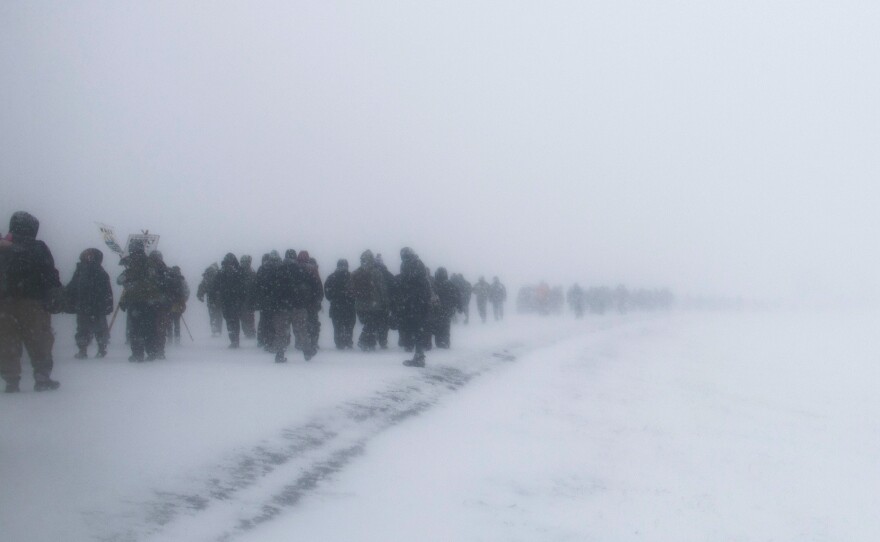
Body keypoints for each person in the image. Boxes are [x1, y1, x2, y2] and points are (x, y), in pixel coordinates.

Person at [0, 211, 63, 392]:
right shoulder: (38, 247)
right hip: (32, 303)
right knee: (39, 339)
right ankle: (42, 376)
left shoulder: (3, 246)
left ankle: (11, 380)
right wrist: (55, 294)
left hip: (3, 303)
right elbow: (50, 273)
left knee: (6, 341)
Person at [119, 240, 165, 361]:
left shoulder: (134, 264)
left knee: (135, 329)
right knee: (149, 328)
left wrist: (126, 278)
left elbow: (122, 281)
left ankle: (138, 354)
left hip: (136, 302)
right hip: (150, 302)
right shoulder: (149, 263)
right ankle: (151, 351)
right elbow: (154, 281)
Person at [65, 248, 114, 359]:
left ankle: (83, 350)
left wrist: (68, 299)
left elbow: (73, 286)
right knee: (99, 328)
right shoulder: (101, 271)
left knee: (83, 329)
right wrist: (108, 305)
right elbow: (107, 290)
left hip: (84, 305)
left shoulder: (81, 270)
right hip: (97, 306)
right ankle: (101, 349)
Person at [397, 247, 431, 367]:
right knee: (418, 329)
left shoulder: (413, 265)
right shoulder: (416, 263)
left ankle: (419, 357)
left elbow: (411, 281)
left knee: (417, 329)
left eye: (404, 256)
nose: (403, 258)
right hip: (418, 301)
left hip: (416, 302)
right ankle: (419, 356)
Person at [350, 250, 389, 351]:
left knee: (369, 323)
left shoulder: (355, 272)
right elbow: (382, 288)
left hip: (359, 304)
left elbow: (350, 288)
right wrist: (385, 301)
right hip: (373, 303)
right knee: (372, 323)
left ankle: (370, 344)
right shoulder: (376, 272)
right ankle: (363, 341)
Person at [324, 259, 356, 349]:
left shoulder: (331, 277)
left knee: (337, 326)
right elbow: (357, 291)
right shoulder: (351, 277)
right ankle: (348, 341)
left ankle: (339, 343)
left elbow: (327, 293)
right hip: (350, 306)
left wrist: (333, 298)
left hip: (336, 306)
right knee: (349, 325)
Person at [216, 253, 245, 348]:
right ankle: (235, 340)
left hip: (228, 301)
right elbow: (242, 287)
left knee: (230, 321)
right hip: (234, 301)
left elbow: (216, 286)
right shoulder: (238, 271)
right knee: (233, 321)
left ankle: (234, 340)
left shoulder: (222, 272)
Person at [432, 267, 458, 348]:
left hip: (437, 308)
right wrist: (456, 306)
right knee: (446, 325)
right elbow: (456, 296)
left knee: (438, 325)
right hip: (447, 309)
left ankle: (439, 342)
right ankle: (446, 342)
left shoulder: (434, 284)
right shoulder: (450, 284)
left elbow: (432, 295)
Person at [196, 263, 222, 336]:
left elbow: (202, 286)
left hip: (210, 298)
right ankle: (218, 329)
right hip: (219, 297)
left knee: (212, 314)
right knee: (219, 314)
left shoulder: (207, 275)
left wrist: (200, 295)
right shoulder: (219, 274)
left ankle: (213, 327)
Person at [166, 266, 190, 344]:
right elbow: (186, 291)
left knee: (169, 322)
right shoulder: (181, 280)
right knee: (177, 322)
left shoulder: (168, 279)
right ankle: (177, 340)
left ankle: (170, 339)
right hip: (178, 304)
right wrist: (183, 301)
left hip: (169, 304)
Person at [239, 254, 257, 339]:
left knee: (246, 316)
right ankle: (250, 332)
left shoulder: (239, 272)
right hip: (248, 298)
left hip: (245, 299)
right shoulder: (252, 273)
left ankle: (249, 332)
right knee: (248, 316)